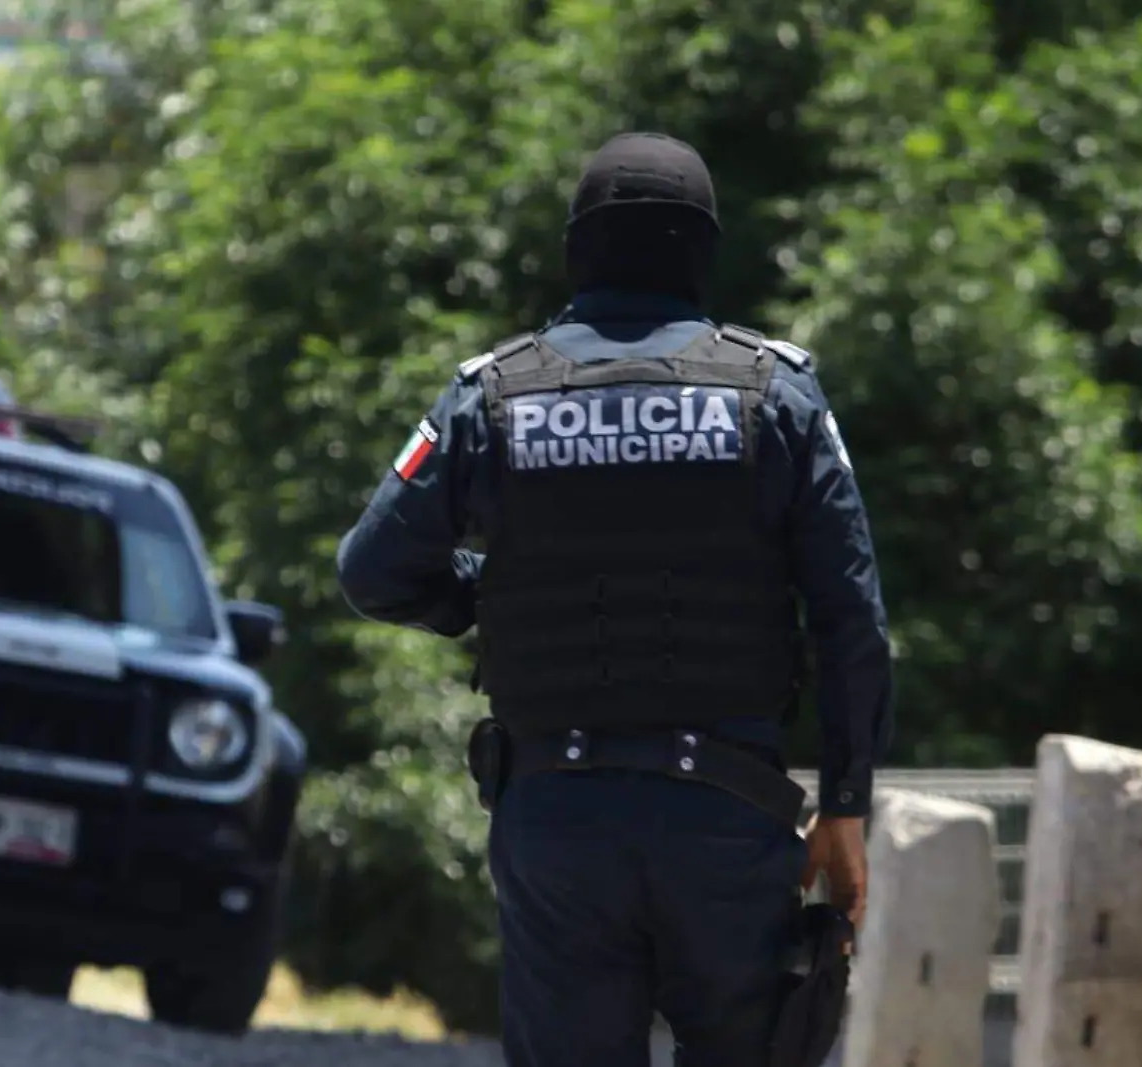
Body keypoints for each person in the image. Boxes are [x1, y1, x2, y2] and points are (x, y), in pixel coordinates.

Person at [335, 132, 893, 1067]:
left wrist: (479, 596)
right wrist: (844, 802)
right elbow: (851, 616)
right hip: (729, 823)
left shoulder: (490, 394)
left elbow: (371, 569)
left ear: (578, 247)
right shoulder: (779, 394)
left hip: (557, 821)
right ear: (701, 250)